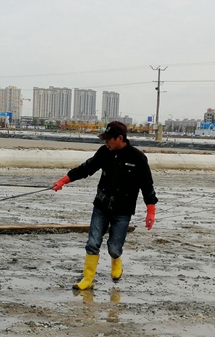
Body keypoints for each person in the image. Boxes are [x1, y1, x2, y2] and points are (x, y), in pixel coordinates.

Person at [52, 121, 157, 290]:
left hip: (123, 210)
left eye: (108, 139)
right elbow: (86, 168)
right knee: (93, 243)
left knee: (114, 248)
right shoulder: (104, 152)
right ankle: (87, 279)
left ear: (119, 138)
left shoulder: (137, 158)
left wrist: (150, 210)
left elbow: (147, 185)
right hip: (101, 206)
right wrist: (63, 180)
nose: (105, 142)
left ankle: (116, 261)